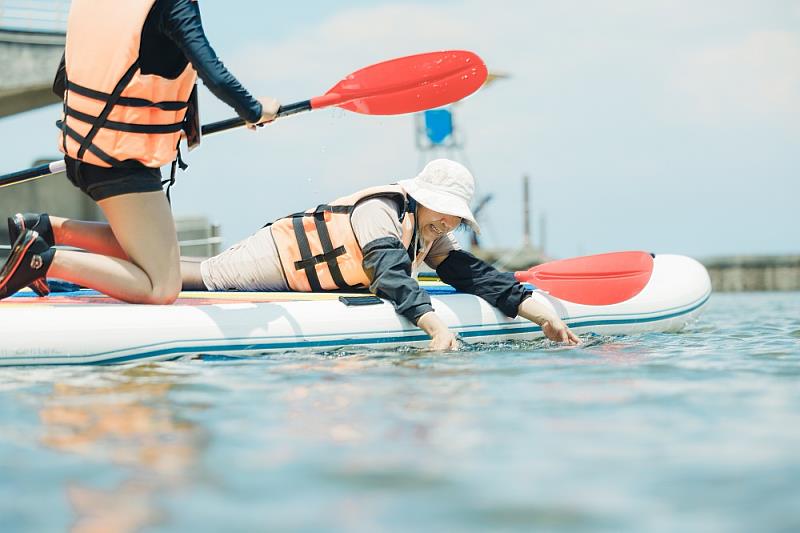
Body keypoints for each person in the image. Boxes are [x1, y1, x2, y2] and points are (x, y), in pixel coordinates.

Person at [0, 0, 279, 303]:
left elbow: (64, 78)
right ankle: (43, 260)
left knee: (152, 248)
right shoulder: (174, 5)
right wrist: (254, 110)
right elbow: (214, 73)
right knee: (161, 285)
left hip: (86, 150)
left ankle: (43, 229)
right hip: (120, 162)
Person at [182, 159, 580, 350]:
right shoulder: (382, 210)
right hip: (277, 258)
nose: (448, 224)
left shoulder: (430, 230)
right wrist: (437, 329)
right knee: (200, 277)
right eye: (445, 213)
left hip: (302, 280)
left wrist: (544, 316)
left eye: (456, 219)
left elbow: (476, 276)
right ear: (424, 199)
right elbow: (390, 274)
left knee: (187, 272)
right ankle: (131, 266)